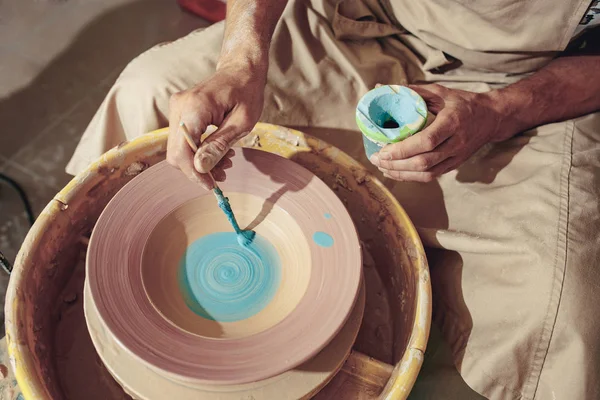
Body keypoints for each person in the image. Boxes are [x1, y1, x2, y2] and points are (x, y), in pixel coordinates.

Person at [66, 0, 600, 399]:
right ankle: (77, 279)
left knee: (555, 306)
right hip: (363, 18)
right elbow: (237, 57)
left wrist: (501, 111)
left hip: (525, 79)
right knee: (154, 88)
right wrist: (241, 59)